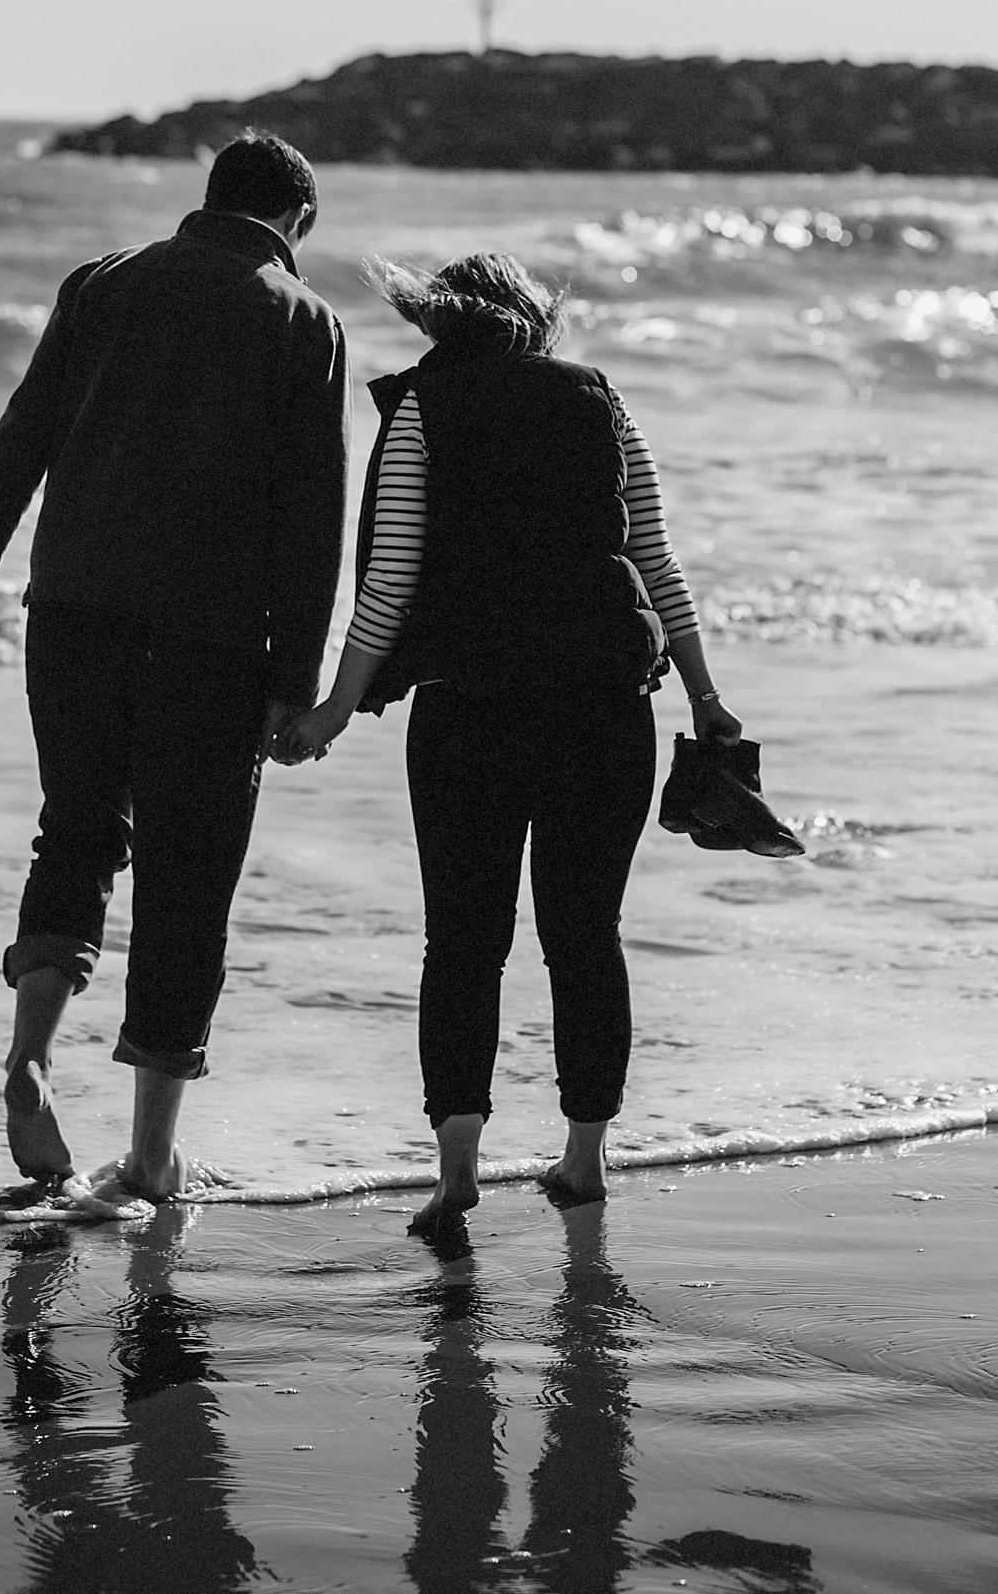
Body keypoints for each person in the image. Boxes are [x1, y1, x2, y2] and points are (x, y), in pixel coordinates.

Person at [0, 132, 349, 1200]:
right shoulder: (301, 320)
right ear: (294, 224)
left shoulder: (101, 284)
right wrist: (296, 682)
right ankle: (152, 1155)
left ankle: (27, 1056)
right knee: (186, 881)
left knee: (73, 830)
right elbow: (311, 520)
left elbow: (17, 443)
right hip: (211, 640)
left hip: (69, 616)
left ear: (207, 200)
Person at [276, 251, 738, 1235]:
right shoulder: (595, 399)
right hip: (603, 706)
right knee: (583, 936)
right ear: (536, 320)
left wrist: (329, 710)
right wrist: (704, 696)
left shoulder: (421, 410)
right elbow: (651, 555)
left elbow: (389, 584)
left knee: (464, 943)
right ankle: (581, 1160)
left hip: (469, 712)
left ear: (440, 326)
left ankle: (453, 1174)